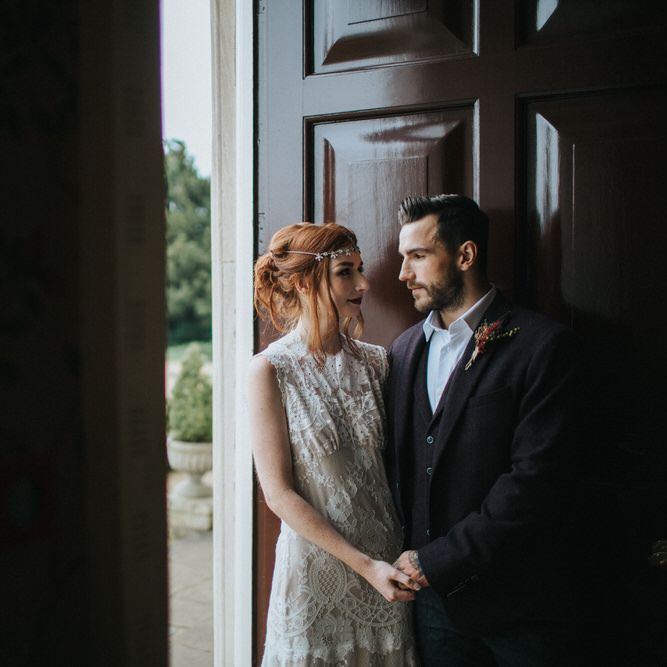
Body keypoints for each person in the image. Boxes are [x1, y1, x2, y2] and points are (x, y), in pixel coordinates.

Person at [386, 195, 582, 666]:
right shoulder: (403, 351)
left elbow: (535, 481)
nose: (403, 274)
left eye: (418, 256)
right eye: (403, 258)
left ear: (465, 255)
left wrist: (436, 561)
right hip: (432, 606)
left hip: (521, 604)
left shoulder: (542, 345)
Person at [249, 222, 419, 666]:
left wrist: (387, 565)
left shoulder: (378, 363)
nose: (364, 284)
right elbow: (279, 494)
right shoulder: (270, 371)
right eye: (346, 271)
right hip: (316, 577)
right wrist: (365, 566)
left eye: (360, 269)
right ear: (305, 282)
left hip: (388, 574)